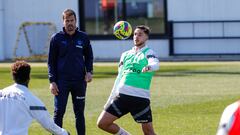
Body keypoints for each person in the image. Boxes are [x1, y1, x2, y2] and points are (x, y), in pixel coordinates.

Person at [97, 25, 159, 135]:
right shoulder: (125, 55)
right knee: (102, 123)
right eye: (135, 34)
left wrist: (150, 67)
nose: (136, 37)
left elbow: (155, 63)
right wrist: (110, 99)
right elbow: (119, 77)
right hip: (121, 97)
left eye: (140, 34)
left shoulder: (149, 52)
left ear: (146, 38)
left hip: (140, 98)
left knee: (148, 132)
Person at [48, 9, 93, 135]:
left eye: (72, 20)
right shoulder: (56, 38)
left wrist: (89, 71)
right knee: (58, 113)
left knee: (79, 113)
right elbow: (51, 61)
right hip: (61, 82)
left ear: (75, 21)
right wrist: (52, 81)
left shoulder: (83, 37)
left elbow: (89, 57)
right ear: (63, 21)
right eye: (67, 21)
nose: (70, 23)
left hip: (79, 82)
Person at [0, 60, 70, 135]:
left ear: (13, 76)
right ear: (29, 77)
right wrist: (65, 133)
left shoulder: (1, 93)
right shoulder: (31, 99)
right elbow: (49, 125)